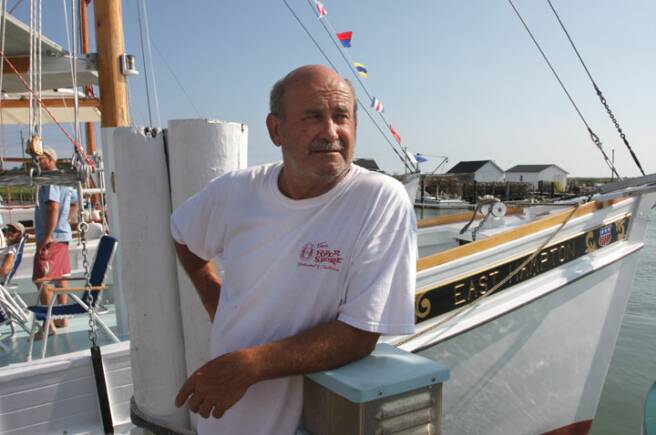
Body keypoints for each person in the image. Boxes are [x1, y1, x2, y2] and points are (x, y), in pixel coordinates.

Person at [171, 64, 417, 435]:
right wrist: (211, 295)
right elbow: (182, 234)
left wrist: (247, 366)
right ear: (276, 130)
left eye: (341, 117)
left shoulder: (379, 200)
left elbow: (361, 333)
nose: (331, 132)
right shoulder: (235, 191)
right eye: (313, 117)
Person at [32, 146, 78, 338]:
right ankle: (63, 316)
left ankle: (48, 325)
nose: (35, 162)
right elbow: (75, 202)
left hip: (52, 238)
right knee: (60, 276)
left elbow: (52, 207)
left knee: (41, 279)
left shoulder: (50, 179)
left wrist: (46, 236)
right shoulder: (64, 179)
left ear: (50, 159)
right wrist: (65, 221)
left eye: (39, 158)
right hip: (63, 236)